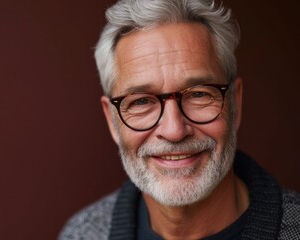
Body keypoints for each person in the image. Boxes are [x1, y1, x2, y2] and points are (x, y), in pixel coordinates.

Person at [59, 0, 300, 239]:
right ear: (112, 121)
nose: (174, 130)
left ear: (235, 104)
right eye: (141, 101)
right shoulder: (82, 233)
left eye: (198, 94)